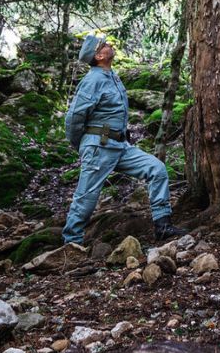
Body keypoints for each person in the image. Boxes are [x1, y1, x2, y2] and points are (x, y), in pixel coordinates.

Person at [62, 34, 186, 244]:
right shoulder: (92, 80)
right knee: (86, 197)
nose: (110, 44)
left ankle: (163, 226)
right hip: (99, 146)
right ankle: (71, 243)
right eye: (104, 45)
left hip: (120, 145)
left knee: (156, 169)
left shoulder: (112, 76)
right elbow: (74, 117)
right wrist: (82, 144)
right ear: (99, 56)